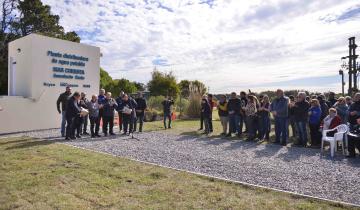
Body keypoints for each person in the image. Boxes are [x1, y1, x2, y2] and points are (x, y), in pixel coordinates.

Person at [347, 93, 360, 157]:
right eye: (356, 96)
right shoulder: (352, 104)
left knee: (357, 139)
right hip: (351, 123)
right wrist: (350, 112)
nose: (357, 97)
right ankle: (351, 153)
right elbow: (348, 111)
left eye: (358, 96)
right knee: (350, 138)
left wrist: (356, 112)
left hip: (358, 124)